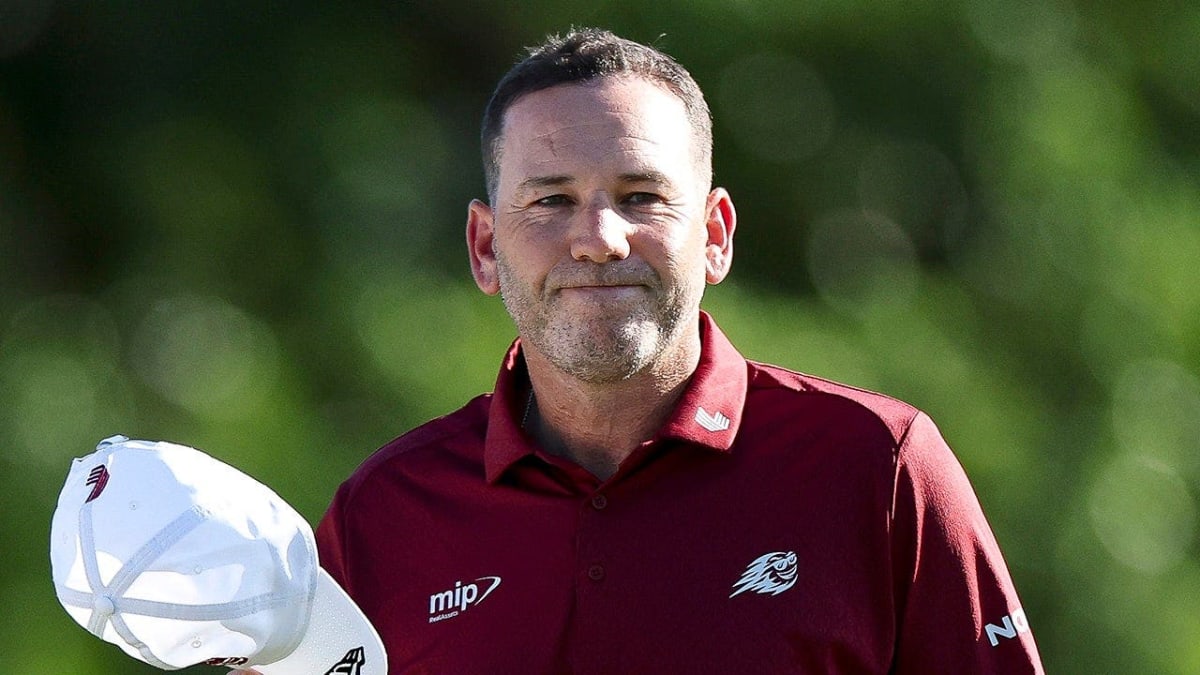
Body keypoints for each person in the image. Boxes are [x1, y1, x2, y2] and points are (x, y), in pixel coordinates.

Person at [242, 27, 1043, 674]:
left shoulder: (880, 466)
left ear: (716, 234)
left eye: (642, 198)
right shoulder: (384, 514)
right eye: (552, 199)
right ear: (485, 247)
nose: (598, 238)